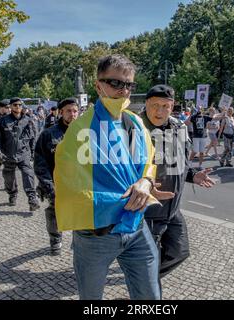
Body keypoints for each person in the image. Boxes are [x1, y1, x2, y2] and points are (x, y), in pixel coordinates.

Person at [54, 54, 173, 300]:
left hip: (137, 228)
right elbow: (69, 186)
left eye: (129, 84)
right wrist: (125, 200)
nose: (123, 90)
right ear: (98, 85)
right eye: (115, 83)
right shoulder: (82, 128)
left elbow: (149, 162)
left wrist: (146, 182)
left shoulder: (136, 123)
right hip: (97, 235)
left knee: (151, 297)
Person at [139, 84, 215, 292]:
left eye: (166, 106)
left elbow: (178, 162)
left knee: (179, 251)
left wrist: (192, 175)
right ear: (146, 104)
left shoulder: (179, 127)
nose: (160, 111)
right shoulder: (135, 129)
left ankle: (143, 280)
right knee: (150, 264)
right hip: (148, 210)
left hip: (173, 208)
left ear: (172, 107)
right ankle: (145, 291)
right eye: (155, 105)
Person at [34, 98, 79, 255]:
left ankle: (79, 241)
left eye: (75, 111)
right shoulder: (48, 134)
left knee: (80, 213)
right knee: (54, 213)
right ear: (61, 112)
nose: (72, 114)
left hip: (78, 185)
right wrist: (48, 186)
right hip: (56, 185)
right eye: (68, 111)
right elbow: (40, 164)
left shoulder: (85, 133)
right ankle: (55, 239)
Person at [0, 97, 40, 211]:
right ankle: (12, 194)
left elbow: (33, 138)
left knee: (28, 174)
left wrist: (33, 153)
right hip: (8, 155)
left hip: (24, 154)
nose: (18, 107)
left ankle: (32, 199)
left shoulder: (28, 120)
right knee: (8, 178)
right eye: (15, 105)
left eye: (20, 105)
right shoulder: (2, 121)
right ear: (11, 107)